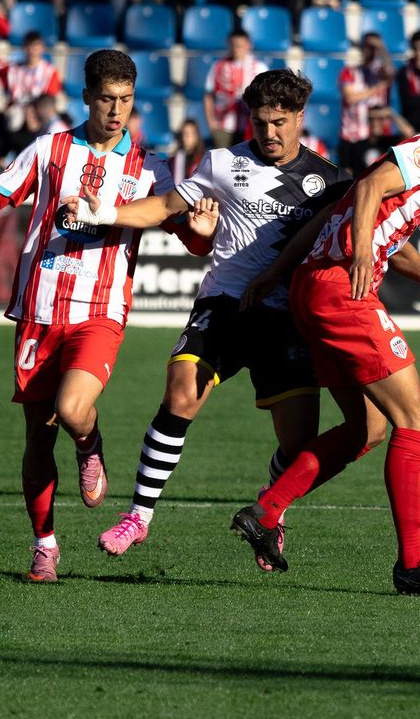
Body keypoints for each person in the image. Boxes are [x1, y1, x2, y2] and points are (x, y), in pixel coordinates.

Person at [230, 108, 420, 595]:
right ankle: (412, 564)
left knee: (369, 427)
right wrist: (358, 254)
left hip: (314, 288)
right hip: (340, 292)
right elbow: (371, 186)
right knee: (417, 419)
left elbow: (363, 225)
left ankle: (266, 511)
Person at [0, 50, 190, 583]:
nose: (116, 110)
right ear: (86, 97)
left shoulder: (150, 167)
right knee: (37, 437)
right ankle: (45, 546)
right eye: (106, 98)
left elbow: (187, 235)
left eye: (126, 100)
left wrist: (202, 220)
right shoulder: (50, 150)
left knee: (74, 409)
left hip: (99, 311)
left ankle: (90, 443)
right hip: (37, 311)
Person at [62, 70, 351, 557]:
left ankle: (268, 511)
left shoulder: (331, 182)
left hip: (287, 318)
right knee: (180, 395)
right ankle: (138, 516)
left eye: (280, 122)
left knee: (301, 444)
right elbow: (164, 207)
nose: (270, 134)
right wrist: (103, 214)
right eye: (260, 123)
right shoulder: (222, 162)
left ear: (301, 117)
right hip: (226, 304)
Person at [0, 30, 62, 159]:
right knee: (10, 120)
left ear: (42, 48)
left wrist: (33, 111)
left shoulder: (49, 72)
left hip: (39, 114)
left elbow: (49, 99)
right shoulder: (14, 70)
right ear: (24, 48)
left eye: (36, 45)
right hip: (20, 112)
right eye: (29, 46)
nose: (32, 50)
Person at [339, 31, 395, 169]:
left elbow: (390, 71)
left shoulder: (380, 73)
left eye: (374, 48)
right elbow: (350, 97)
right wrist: (377, 88)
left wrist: (382, 49)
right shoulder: (349, 72)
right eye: (368, 46)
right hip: (352, 136)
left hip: (377, 138)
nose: (371, 51)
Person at [204, 30, 266, 148]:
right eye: (233, 45)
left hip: (250, 125)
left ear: (249, 45)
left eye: (240, 45)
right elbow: (208, 95)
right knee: (223, 162)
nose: (236, 49)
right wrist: (211, 122)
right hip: (223, 126)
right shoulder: (219, 66)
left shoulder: (259, 68)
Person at [167, 118, 206, 183]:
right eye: (185, 133)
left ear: (197, 136)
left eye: (191, 133)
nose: (187, 137)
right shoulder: (172, 161)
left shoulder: (203, 161)